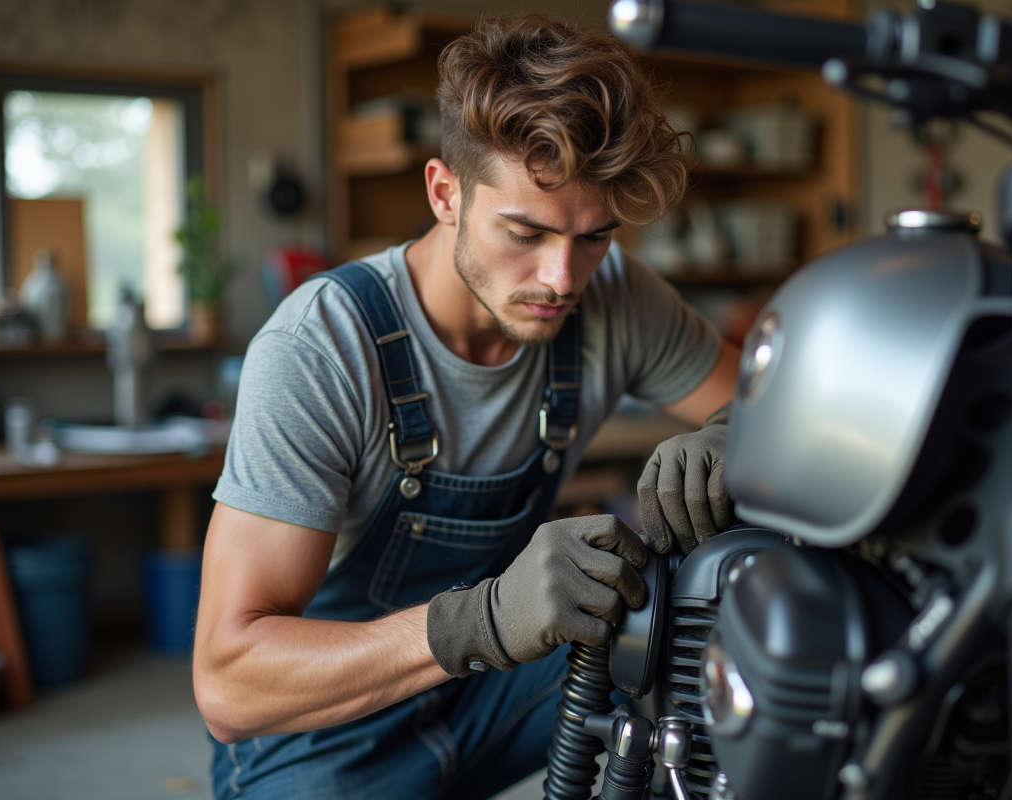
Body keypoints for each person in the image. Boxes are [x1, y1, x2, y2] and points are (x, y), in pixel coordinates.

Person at [193, 14, 741, 800]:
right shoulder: (322, 347)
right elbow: (229, 687)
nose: (561, 278)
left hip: (498, 695)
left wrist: (736, 436)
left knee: (689, 621)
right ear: (445, 192)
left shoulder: (612, 295)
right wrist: (478, 623)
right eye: (525, 231)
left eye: (593, 237)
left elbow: (774, 415)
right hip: (325, 737)